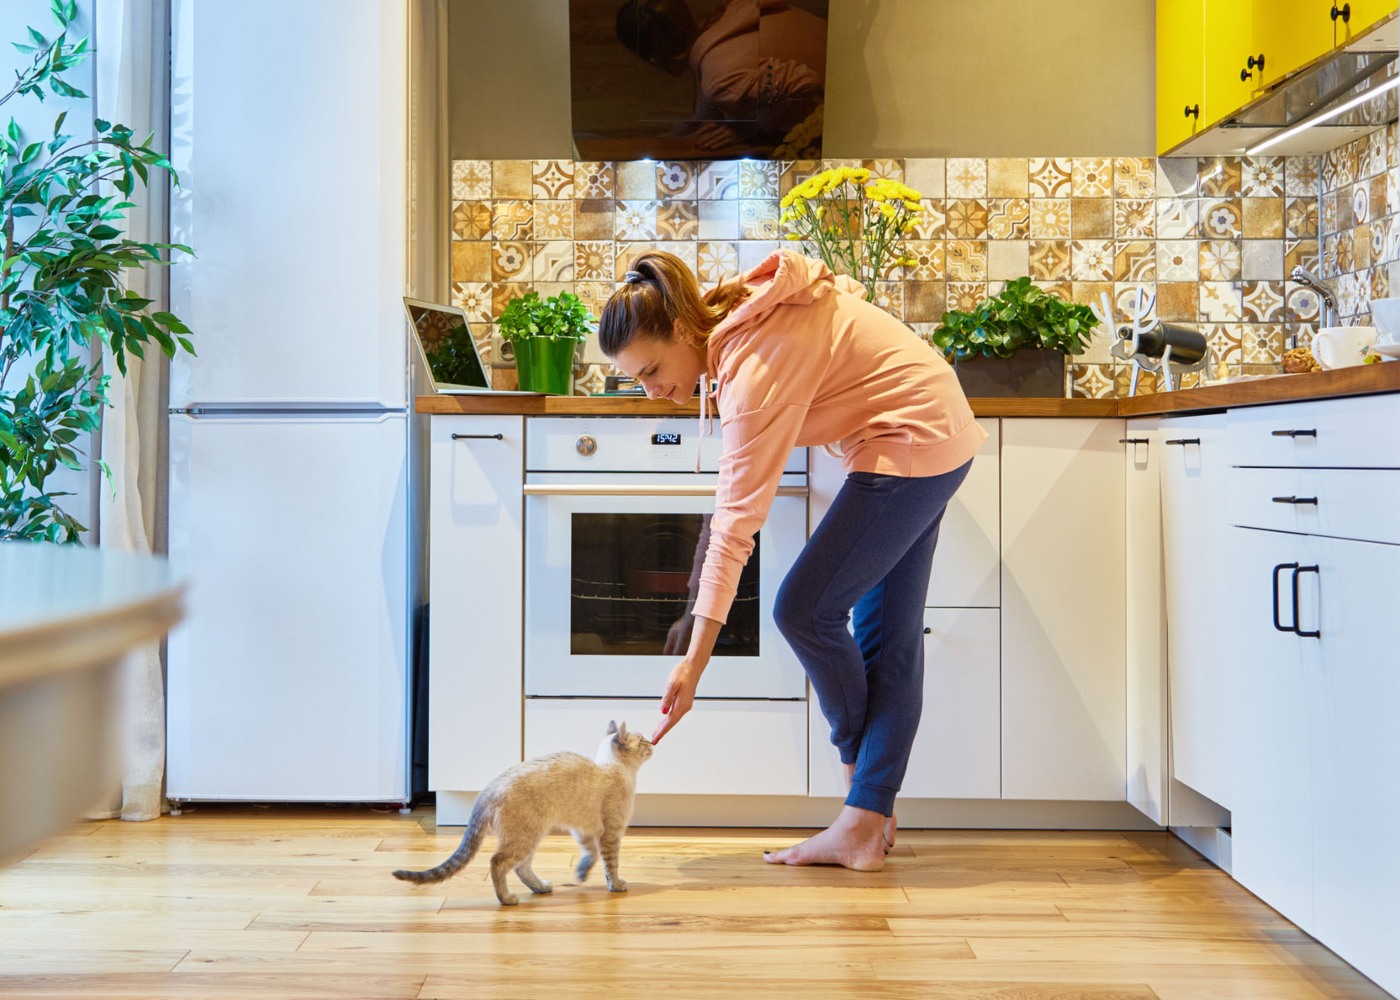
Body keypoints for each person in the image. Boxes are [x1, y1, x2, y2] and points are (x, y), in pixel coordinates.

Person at [597, 250, 986, 872]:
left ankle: (860, 793)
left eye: (652, 369)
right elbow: (724, 516)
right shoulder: (733, 317)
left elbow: (734, 527)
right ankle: (865, 818)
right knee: (888, 637)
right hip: (924, 430)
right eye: (634, 380)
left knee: (805, 609)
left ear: (679, 331)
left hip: (912, 436)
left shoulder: (751, 368)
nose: (651, 391)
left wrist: (695, 664)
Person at [615, 0, 827, 154]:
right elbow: (721, 82)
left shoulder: (720, 76)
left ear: (653, 60)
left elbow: (806, 83)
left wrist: (751, 127)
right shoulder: (730, 11)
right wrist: (680, 132)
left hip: (847, 100)